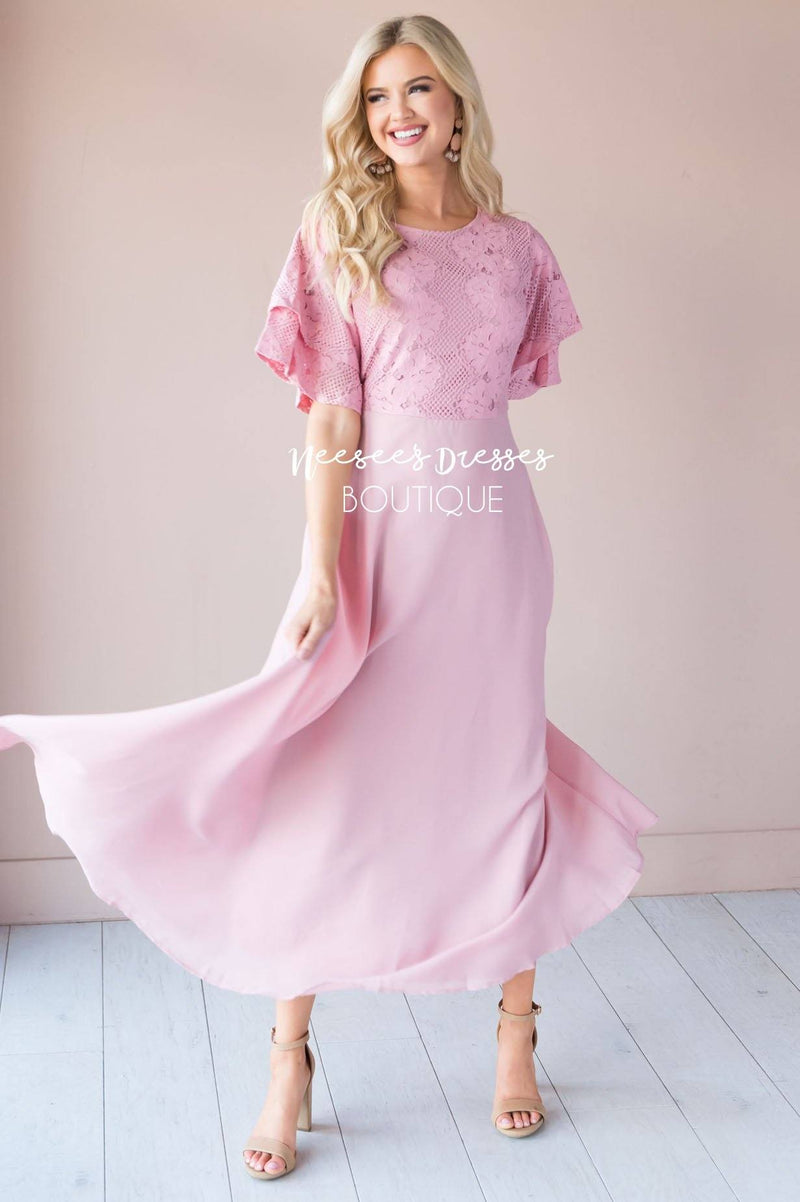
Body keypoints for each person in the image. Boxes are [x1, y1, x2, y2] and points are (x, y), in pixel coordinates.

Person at [0, 14, 659, 1183]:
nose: (396, 113)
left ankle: (515, 1031)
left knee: (500, 775)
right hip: (376, 538)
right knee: (318, 775)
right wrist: (318, 565)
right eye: (374, 97)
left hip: (493, 541)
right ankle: (287, 1053)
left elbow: (491, 401)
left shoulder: (518, 249)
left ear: (457, 104)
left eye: (417, 89)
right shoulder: (337, 230)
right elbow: (333, 417)